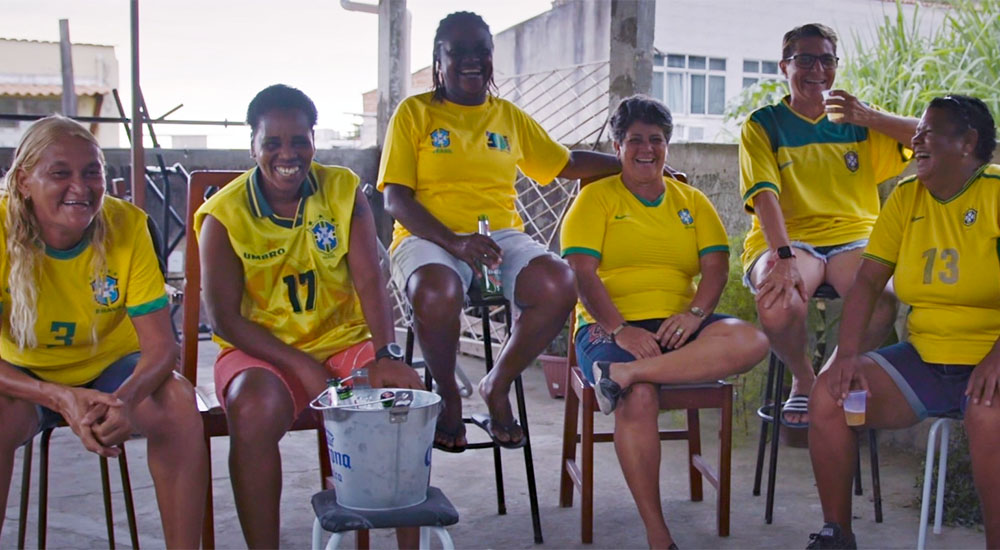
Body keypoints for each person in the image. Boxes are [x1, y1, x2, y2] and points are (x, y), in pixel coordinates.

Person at [378, 11, 626, 451]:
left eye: (482, 52)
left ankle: (496, 385)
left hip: (499, 236)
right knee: (437, 292)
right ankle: (449, 397)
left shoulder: (508, 117)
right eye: (459, 52)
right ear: (439, 59)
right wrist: (455, 243)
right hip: (427, 238)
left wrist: (633, 166)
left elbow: (564, 163)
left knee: (557, 282)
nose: (472, 61)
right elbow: (396, 199)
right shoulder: (413, 113)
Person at [196, 84, 423, 548]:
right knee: (254, 408)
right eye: (273, 142)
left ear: (313, 140)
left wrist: (387, 352)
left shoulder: (341, 189)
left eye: (299, 140)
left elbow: (369, 281)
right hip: (259, 351)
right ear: (253, 145)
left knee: (398, 394)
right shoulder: (223, 214)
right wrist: (301, 365)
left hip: (341, 340)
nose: (288, 154)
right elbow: (223, 319)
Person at [562, 95, 769, 549]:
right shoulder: (595, 199)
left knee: (752, 340)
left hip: (679, 322)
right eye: (635, 139)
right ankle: (659, 535)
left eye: (656, 139)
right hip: (609, 324)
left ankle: (622, 375)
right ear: (617, 146)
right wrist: (621, 329)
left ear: (667, 145)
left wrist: (695, 315)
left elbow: (715, 265)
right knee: (637, 403)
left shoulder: (690, 200)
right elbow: (581, 272)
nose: (646, 149)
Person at [0, 115, 207, 548]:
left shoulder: (126, 224)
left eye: (92, 171)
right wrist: (59, 396)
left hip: (112, 372)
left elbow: (160, 349)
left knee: (177, 402)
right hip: (23, 376)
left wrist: (124, 400)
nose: (81, 186)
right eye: (60, 173)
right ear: (23, 181)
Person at [806, 95, 1000, 549]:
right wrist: (848, 355)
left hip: (990, 360)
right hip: (925, 360)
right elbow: (869, 283)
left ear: (967, 142)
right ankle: (837, 534)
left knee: (987, 414)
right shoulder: (906, 198)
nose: (916, 139)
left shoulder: (995, 193)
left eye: (929, 131)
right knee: (829, 396)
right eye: (918, 131)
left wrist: (997, 356)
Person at [739, 23, 917, 426]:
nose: (816, 69)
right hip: (792, 238)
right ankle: (803, 380)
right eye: (804, 59)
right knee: (778, 297)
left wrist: (867, 114)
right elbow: (764, 195)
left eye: (826, 59)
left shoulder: (856, 119)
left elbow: (928, 136)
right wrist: (782, 256)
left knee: (882, 300)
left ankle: (831, 377)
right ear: (785, 66)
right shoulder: (763, 124)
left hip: (853, 238)